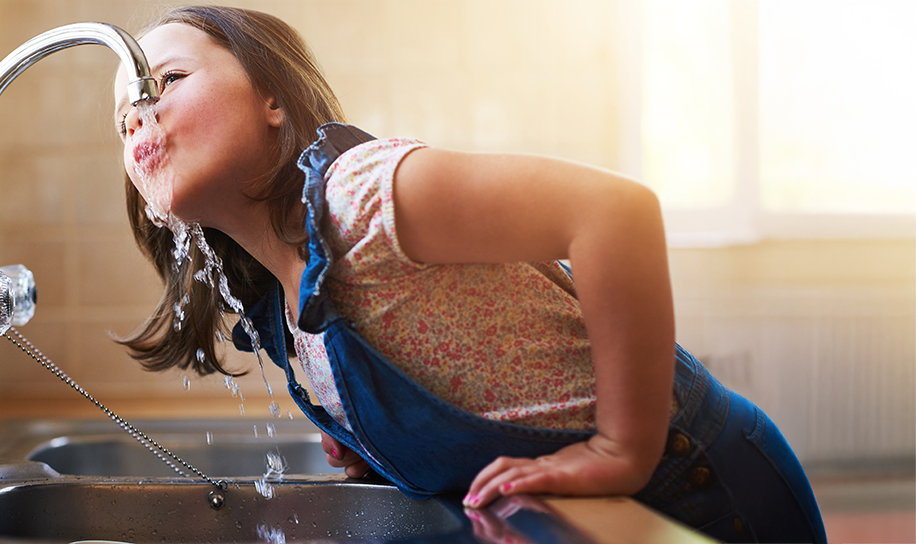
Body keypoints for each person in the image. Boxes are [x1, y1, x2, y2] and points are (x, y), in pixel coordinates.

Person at [111, 5, 826, 542]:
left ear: (273, 99)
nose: (139, 118)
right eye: (121, 123)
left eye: (167, 81)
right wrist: (365, 436)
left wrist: (622, 449)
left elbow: (618, 212)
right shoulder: (276, 307)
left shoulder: (357, 196)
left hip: (699, 486)